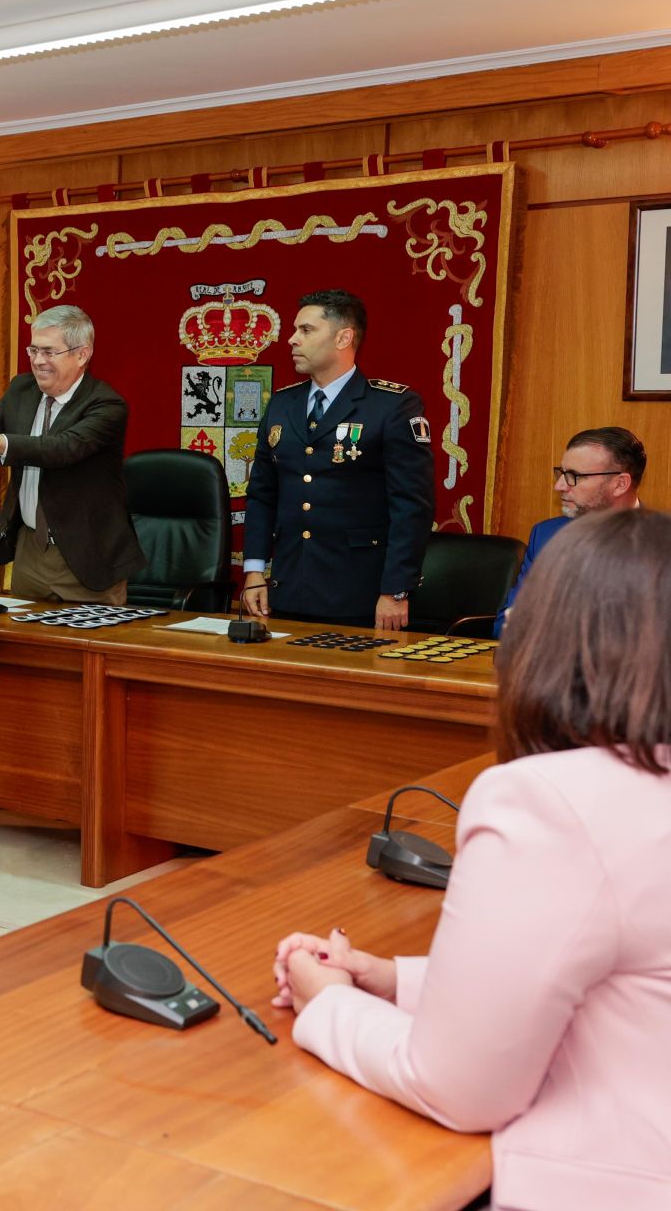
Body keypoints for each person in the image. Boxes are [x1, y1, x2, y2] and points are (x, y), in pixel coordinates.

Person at [272, 507, 671, 1211]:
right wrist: (395, 978)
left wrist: (328, 1004)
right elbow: (636, 982)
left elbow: (458, 1086)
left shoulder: (552, 802)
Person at [242, 289, 434, 628]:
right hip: (286, 591)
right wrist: (254, 570)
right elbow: (261, 493)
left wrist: (396, 591)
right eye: (294, 329)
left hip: (359, 596)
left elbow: (411, 507)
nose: (291, 340)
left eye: (306, 330)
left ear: (343, 337)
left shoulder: (390, 406)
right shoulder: (282, 404)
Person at [0, 304, 146, 603]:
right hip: (30, 553)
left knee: (87, 648)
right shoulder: (22, 389)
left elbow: (61, 449)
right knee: (26, 648)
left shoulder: (106, 405)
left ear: (82, 354)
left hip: (87, 558)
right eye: (33, 350)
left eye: (49, 352)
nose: (38, 361)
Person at [496, 426, 645, 635]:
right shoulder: (547, 535)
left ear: (620, 484)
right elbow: (506, 625)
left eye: (574, 475)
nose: (559, 486)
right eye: (562, 473)